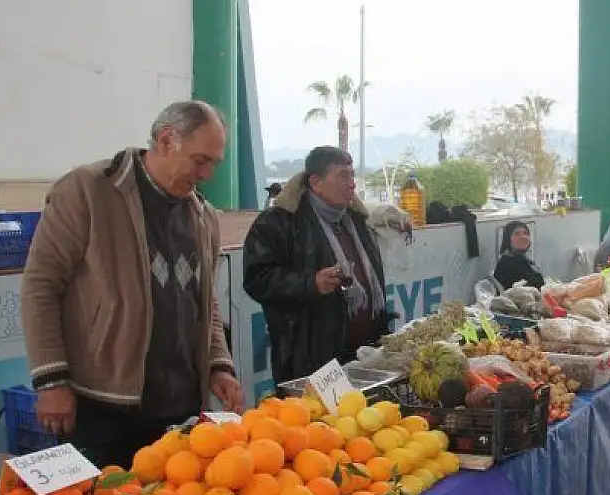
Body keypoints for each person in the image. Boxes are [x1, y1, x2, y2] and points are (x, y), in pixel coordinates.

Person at [20, 100, 243, 469]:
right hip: (104, 409)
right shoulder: (88, 191)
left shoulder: (203, 216)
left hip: (180, 411)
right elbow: (40, 286)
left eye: (213, 164)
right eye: (200, 160)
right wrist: (51, 381)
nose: (206, 175)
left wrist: (219, 364)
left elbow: (205, 301)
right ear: (167, 140)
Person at [243, 146, 390, 385]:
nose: (352, 184)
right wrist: (310, 283)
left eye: (352, 175)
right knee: (317, 423)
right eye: (343, 176)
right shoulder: (279, 222)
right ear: (316, 182)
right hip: (311, 361)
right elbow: (257, 279)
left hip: (366, 357)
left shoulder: (355, 219)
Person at [493, 221, 545, 290]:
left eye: (525, 233)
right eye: (517, 234)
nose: (523, 237)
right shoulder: (506, 264)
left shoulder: (524, 259)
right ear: (508, 239)